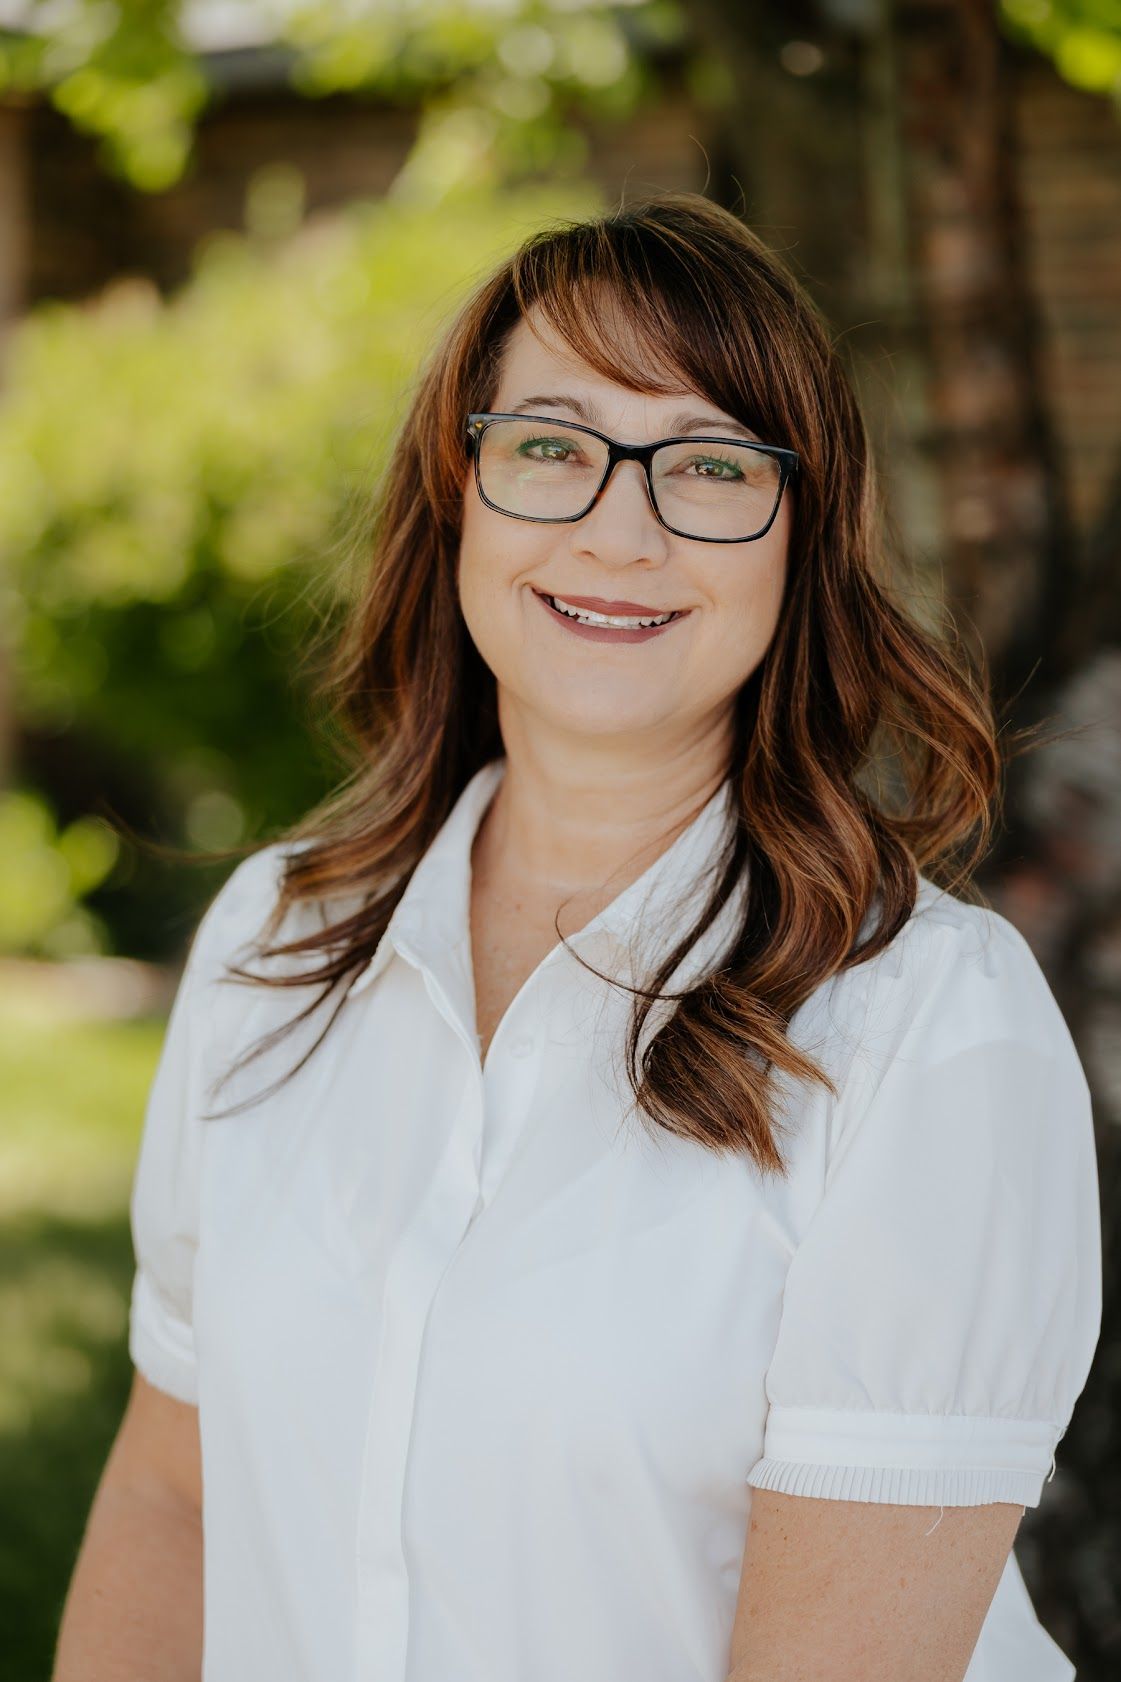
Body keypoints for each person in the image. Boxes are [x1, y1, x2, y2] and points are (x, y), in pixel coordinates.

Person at [53, 191, 1101, 1682]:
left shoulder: (927, 1024)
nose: (622, 528)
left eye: (710, 463)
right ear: (458, 488)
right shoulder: (277, 940)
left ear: (800, 541)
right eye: (551, 446)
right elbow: (173, 1496)